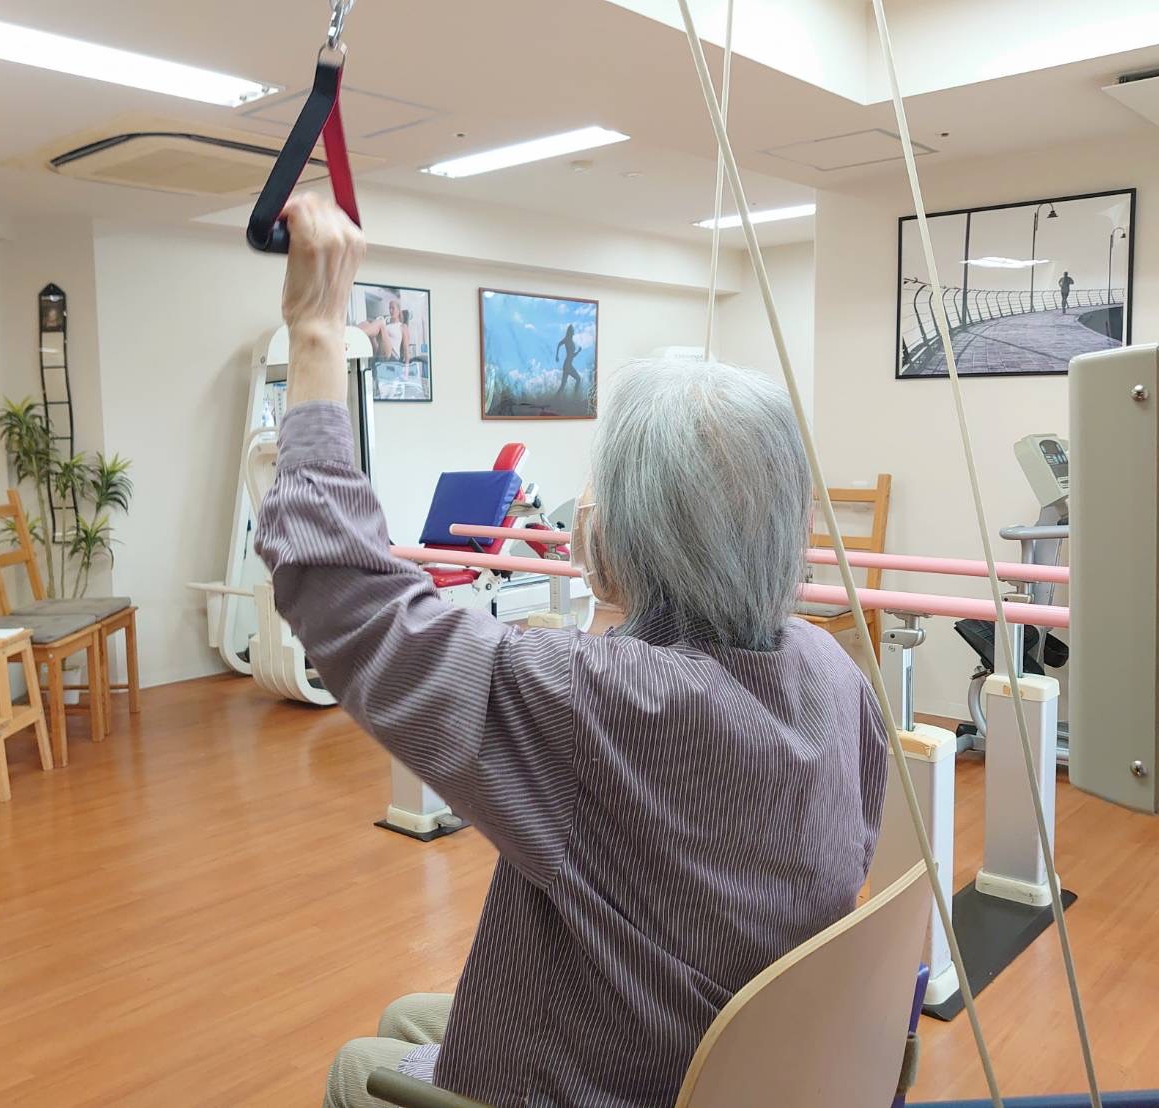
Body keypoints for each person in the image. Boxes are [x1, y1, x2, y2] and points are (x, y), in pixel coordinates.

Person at [256, 194, 889, 1108]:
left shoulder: (608, 702)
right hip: (737, 1052)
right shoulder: (830, 668)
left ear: (629, 536)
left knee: (358, 1067)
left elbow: (334, 586)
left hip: (625, 1080)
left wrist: (316, 330)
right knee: (405, 1014)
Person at [357, 295, 411, 363]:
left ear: (398, 310)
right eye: (389, 308)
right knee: (366, 323)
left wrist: (406, 367)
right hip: (380, 352)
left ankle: (357, 334)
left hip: (393, 356)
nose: (390, 310)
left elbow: (406, 348)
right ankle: (352, 332)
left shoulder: (402, 326)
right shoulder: (386, 325)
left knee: (380, 323)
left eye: (393, 308)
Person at [554, 323, 581, 396]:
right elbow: (559, 344)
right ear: (570, 332)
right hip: (567, 365)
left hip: (568, 365)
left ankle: (554, 399)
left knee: (562, 386)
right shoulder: (567, 339)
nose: (573, 331)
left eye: (573, 330)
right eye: (572, 330)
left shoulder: (571, 341)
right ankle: (575, 397)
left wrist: (578, 352)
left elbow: (572, 355)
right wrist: (556, 355)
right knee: (578, 379)